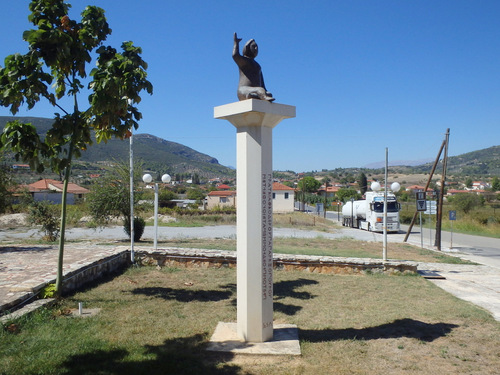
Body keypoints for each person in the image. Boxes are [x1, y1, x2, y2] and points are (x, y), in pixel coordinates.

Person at [232, 32, 274, 102]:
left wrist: (265, 91)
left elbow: (262, 83)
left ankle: (256, 95)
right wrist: (236, 43)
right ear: (247, 48)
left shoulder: (258, 65)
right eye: (253, 46)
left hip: (256, 90)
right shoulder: (245, 61)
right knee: (260, 90)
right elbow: (235, 56)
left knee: (268, 93)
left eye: (257, 47)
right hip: (243, 90)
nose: (256, 48)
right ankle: (262, 97)